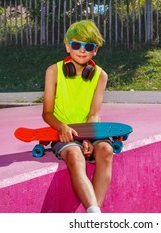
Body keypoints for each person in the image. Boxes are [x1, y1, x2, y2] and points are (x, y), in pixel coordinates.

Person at [42, 20, 111, 213]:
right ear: (67, 46)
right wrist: (62, 127)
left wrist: (88, 138)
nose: (82, 50)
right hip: (63, 132)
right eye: (76, 45)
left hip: (89, 130)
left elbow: (94, 113)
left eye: (88, 46)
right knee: (74, 154)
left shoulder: (101, 75)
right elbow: (46, 113)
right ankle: (95, 214)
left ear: (95, 50)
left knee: (106, 150)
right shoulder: (53, 71)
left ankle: (93, 216)